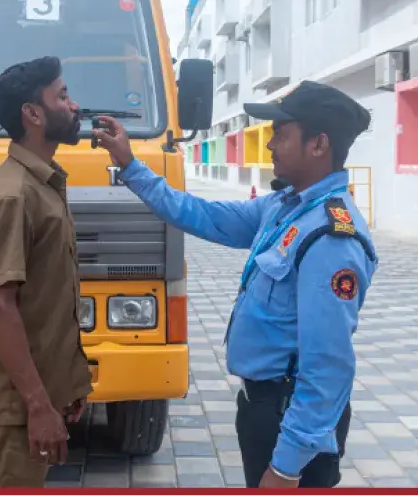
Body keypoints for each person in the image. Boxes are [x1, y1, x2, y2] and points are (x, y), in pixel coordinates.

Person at [93, 80, 378, 489]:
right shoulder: (284, 208)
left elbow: (328, 367)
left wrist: (286, 467)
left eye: (280, 134)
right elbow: (200, 214)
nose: (270, 145)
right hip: (263, 407)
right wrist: (130, 164)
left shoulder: (331, 237)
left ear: (318, 145)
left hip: (290, 417)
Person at [0, 56, 93, 488]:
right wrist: (39, 406)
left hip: (39, 395)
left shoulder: (41, 184)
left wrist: (64, 387)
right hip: (18, 406)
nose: (74, 105)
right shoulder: (13, 195)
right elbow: (0, 306)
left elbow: (46, 301)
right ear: (33, 113)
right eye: (62, 96)